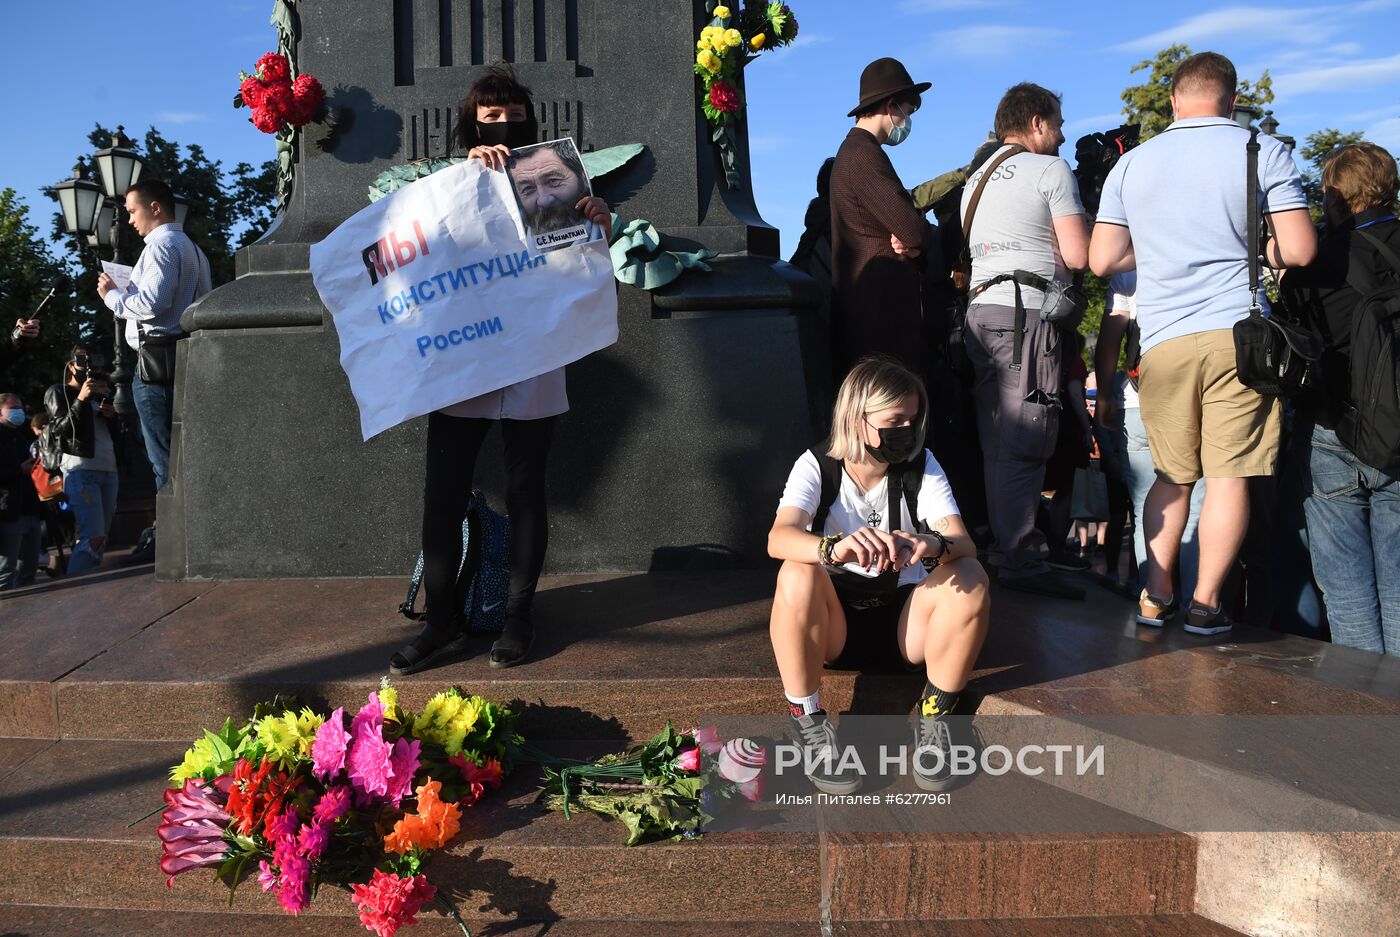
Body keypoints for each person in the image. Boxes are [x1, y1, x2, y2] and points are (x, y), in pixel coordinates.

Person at [389, 65, 612, 676]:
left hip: (532, 352)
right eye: (491, 119)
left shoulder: (548, 180)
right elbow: (417, 250)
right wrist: (466, 173)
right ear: (470, 126)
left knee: (524, 487)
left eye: (515, 118)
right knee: (443, 491)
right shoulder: (444, 185)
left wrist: (595, 225)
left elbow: (570, 261)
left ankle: (518, 614)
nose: (505, 129)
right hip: (467, 354)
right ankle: (442, 621)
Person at [1090, 51, 1316, 635]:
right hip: (1239, 338)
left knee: (1171, 476)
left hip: (1162, 341)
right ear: (1233, 99)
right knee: (1230, 476)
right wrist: (1251, 250)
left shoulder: (1131, 165)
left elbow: (1101, 260)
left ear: (1173, 100)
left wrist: (1165, 252)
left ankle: (1155, 593)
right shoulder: (1262, 151)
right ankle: (1206, 605)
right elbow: (1298, 250)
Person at [767, 357, 990, 794]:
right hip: (835, 628)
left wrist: (933, 544)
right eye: (894, 420)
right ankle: (808, 723)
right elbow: (778, 538)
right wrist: (831, 549)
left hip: (908, 627)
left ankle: (937, 720)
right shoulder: (818, 466)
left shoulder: (921, 465)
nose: (906, 429)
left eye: (912, 418)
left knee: (969, 574)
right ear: (857, 417)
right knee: (796, 572)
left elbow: (963, 542)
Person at [961, 82, 1090, 598]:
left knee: (996, 441)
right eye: (1057, 123)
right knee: (1027, 437)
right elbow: (1079, 256)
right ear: (1036, 122)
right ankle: (1021, 558)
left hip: (979, 312)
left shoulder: (976, 178)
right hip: (1026, 316)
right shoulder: (1050, 169)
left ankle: (1002, 549)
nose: (1061, 136)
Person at [1279, 142, 1400, 655]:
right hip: (1397, 430)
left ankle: (1364, 712)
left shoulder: (1320, 260)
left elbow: (1295, 342)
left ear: (1334, 195)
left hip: (1334, 427)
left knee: (1347, 593)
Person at [96, 179, 211, 504]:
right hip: (184, 356)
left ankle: (171, 536)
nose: (130, 220)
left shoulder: (160, 247)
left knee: (165, 461)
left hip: (156, 367)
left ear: (155, 208)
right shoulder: (193, 248)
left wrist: (113, 296)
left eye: (133, 211)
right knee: (184, 454)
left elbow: (153, 304)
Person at [1094, 272, 1204, 602]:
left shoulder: (1130, 272)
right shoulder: (1209, 255)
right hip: (1192, 401)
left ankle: (1153, 597)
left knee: (1145, 507)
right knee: (1197, 507)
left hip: (1136, 401)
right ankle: (1195, 604)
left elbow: (1109, 341)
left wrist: (1104, 397)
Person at [828, 57, 934, 380]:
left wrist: (912, 238)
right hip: (879, 321)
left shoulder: (853, 152)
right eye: (907, 111)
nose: (906, 121)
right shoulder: (864, 154)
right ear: (891, 106)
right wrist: (919, 237)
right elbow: (913, 231)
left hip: (870, 319)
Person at [44, 345, 120, 576]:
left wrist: (114, 415)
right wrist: (81, 399)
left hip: (109, 469)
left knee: (101, 538)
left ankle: (90, 586)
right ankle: (76, 588)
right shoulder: (59, 392)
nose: (89, 371)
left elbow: (117, 435)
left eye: (94, 366)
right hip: (80, 470)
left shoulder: (103, 392)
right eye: (83, 365)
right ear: (71, 366)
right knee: (92, 537)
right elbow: (62, 431)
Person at [0, 393, 43, 590]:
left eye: (20, 407)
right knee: (6, 570)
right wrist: (19, 470)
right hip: (10, 511)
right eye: (13, 408)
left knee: (29, 570)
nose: (18, 412)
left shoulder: (21, 435)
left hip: (30, 508)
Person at [508, 140, 590, 235]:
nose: (544, 201)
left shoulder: (605, 223)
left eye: (553, 181)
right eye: (527, 188)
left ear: (583, 178)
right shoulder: (508, 241)